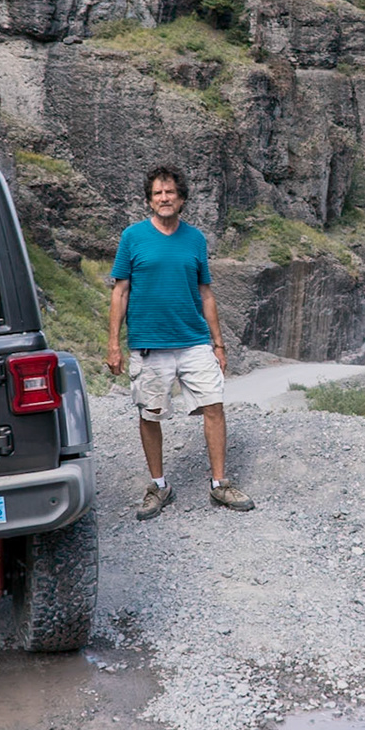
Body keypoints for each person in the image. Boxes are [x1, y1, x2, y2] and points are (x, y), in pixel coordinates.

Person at [107, 165, 253, 518]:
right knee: (150, 413)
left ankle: (220, 484)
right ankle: (159, 485)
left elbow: (206, 294)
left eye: (170, 192)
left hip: (193, 341)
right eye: (158, 193)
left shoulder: (195, 239)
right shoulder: (133, 237)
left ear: (182, 198)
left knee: (214, 406)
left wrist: (219, 344)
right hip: (149, 343)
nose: (164, 198)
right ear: (149, 200)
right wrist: (113, 344)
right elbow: (120, 291)